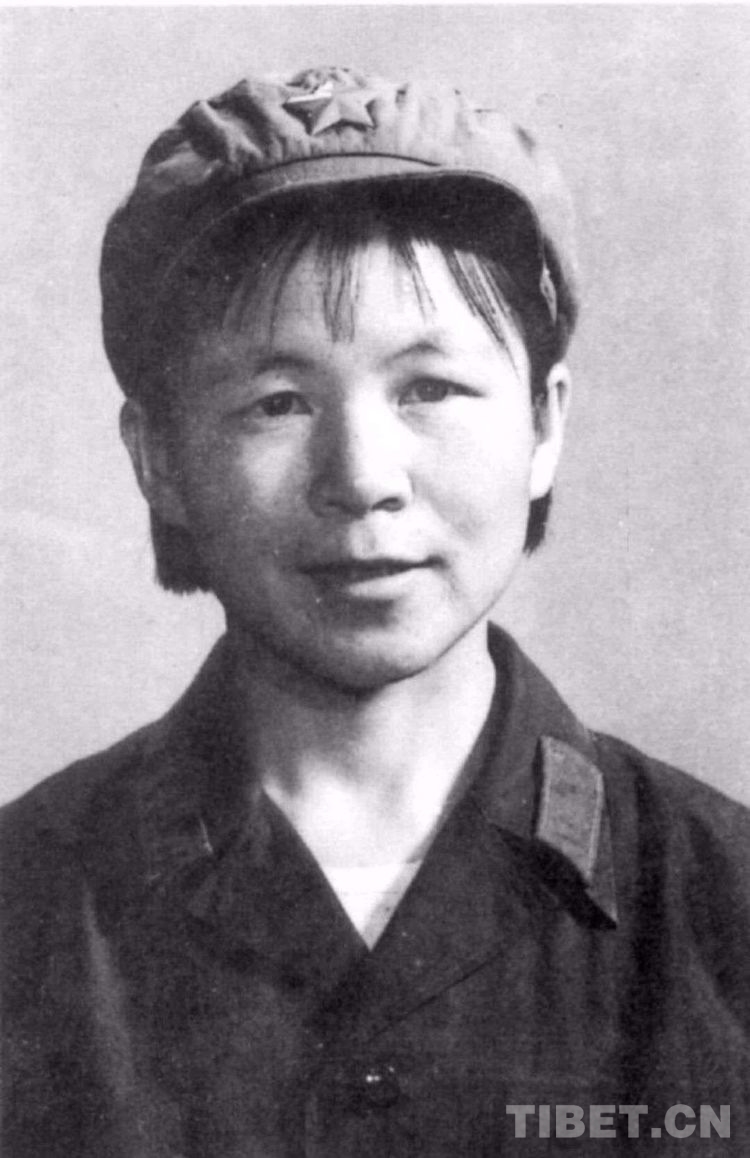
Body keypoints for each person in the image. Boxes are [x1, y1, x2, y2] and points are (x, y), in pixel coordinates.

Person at [1, 64, 748, 1156]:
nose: (361, 478)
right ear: (158, 459)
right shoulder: (22, 906)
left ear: (544, 425)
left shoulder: (725, 906)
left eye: (429, 389)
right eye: (277, 402)